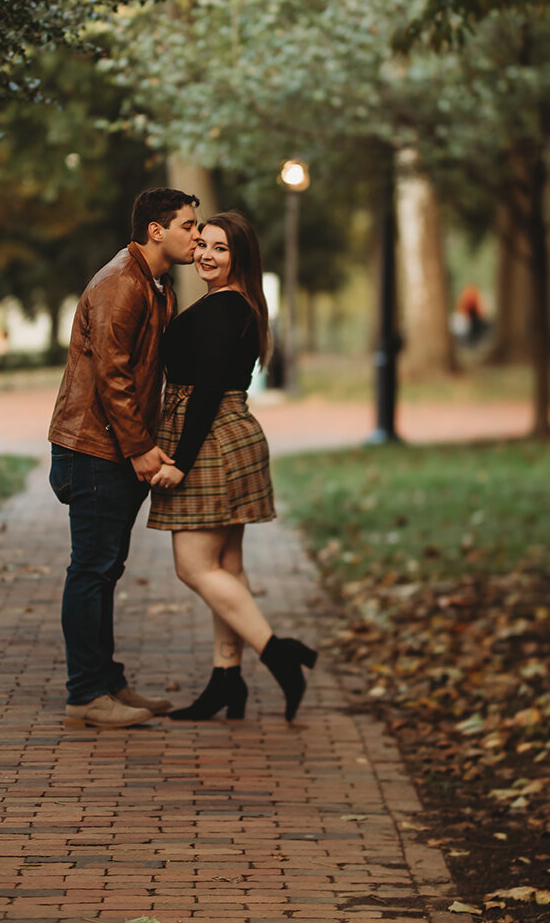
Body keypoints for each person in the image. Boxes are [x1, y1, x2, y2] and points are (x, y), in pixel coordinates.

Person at [147, 211, 317, 723]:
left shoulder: (224, 309)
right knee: (228, 567)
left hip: (211, 439)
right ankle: (226, 680)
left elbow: (205, 393)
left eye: (219, 248)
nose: (205, 254)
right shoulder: (233, 304)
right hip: (231, 434)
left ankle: (278, 654)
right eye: (202, 244)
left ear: (239, 256)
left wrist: (180, 461)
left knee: (194, 567)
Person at [48, 187, 200, 729]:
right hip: (92, 449)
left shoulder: (152, 284)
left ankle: (107, 683)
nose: (197, 235)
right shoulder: (121, 283)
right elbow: (112, 375)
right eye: (187, 226)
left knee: (105, 568)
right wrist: (138, 448)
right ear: (156, 230)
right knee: (90, 569)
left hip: (109, 448)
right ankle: (85, 696)